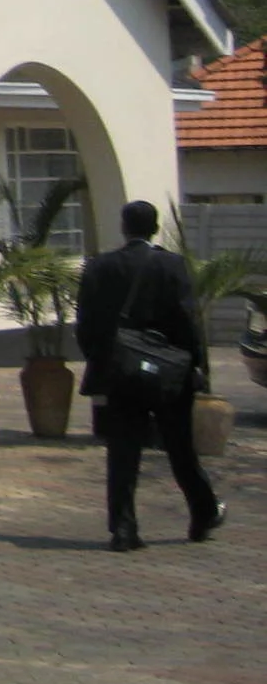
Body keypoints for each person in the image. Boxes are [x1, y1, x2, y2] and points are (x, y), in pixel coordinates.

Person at [75, 200, 223, 551]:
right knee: (180, 448)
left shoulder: (99, 267)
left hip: (121, 372)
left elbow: (86, 325)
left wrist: (102, 360)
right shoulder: (173, 266)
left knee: (123, 451)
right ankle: (202, 514)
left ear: (124, 228)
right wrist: (196, 364)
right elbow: (188, 320)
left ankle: (124, 529)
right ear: (155, 228)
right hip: (169, 374)